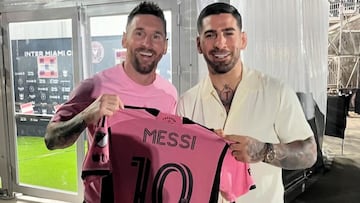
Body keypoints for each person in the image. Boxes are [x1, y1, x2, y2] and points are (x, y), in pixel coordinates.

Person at [176, 2, 317, 203]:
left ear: (243, 39)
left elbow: (310, 153)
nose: (220, 43)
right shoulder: (187, 103)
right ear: (199, 44)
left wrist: (265, 151)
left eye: (228, 33)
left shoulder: (276, 92)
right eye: (210, 35)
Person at [44, 1, 177, 202]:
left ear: (165, 45)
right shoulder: (94, 86)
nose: (147, 44)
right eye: (139, 33)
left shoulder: (169, 94)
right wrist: (86, 115)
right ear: (125, 39)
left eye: (156, 36)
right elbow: (51, 139)